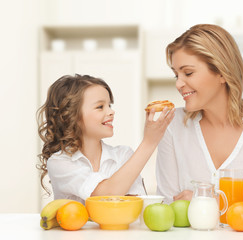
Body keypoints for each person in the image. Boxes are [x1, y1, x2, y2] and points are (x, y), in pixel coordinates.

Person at [155, 24, 243, 213]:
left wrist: (212, 203)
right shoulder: (172, 126)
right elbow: (167, 208)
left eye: (188, 73)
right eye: (176, 75)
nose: (178, 83)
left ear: (222, 72)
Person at [37, 74, 175, 204]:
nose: (111, 112)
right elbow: (105, 195)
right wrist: (149, 142)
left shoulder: (123, 155)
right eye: (100, 107)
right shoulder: (60, 163)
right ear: (71, 116)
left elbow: (135, 204)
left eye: (109, 105)